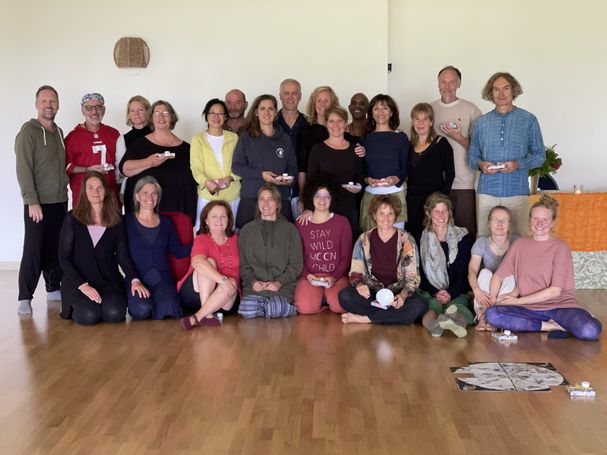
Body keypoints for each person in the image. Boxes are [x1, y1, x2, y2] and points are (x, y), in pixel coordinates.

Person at [484, 195, 602, 340]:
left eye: (545, 219)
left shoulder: (560, 247)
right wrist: (493, 301)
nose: (539, 223)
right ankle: (550, 326)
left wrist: (517, 301)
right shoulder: (520, 245)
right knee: (492, 314)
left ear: (552, 223)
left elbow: (554, 291)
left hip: (559, 307)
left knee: (590, 331)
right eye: (535, 218)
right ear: (530, 221)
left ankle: (575, 317)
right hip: (528, 309)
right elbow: (498, 277)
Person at [58, 172, 149, 325]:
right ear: (84, 191)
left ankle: (101, 305)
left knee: (114, 314)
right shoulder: (72, 218)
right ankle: (79, 305)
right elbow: (64, 258)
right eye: (91, 188)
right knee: (88, 315)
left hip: (107, 281)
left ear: (106, 191)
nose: (95, 192)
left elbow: (123, 256)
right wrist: (83, 286)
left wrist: (134, 279)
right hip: (78, 282)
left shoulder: (117, 219)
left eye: (100, 188)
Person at [468, 72, 545, 237]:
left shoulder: (529, 120)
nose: (501, 94)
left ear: (513, 90)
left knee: (519, 240)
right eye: (496, 89)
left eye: (505, 88)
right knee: (485, 238)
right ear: (490, 92)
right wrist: (481, 165)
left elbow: (540, 156)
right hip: (487, 192)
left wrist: (518, 164)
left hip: (517, 191)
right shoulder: (481, 123)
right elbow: (472, 157)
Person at [15, 85, 69, 314]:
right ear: (37, 104)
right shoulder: (28, 132)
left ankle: (53, 288)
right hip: (38, 203)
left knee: (57, 247)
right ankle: (24, 297)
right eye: (44, 101)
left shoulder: (59, 132)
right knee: (34, 249)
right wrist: (31, 200)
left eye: (53, 101)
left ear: (58, 105)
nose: (49, 105)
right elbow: (23, 168)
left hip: (60, 201)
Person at [338, 194, 427, 325]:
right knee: (344, 296)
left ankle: (366, 319)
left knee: (419, 305)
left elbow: (412, 277)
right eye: (381, 213)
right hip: (372, 293)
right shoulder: (364, 239)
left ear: (395, 216)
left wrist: (403, 296)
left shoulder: (406, 240)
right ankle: (390, 316)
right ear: (374, 215)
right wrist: (360, 285)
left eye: (390, 213)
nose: (386, 218)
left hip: (396, 295)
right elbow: (355, 272)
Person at [119, 100, 197, 223]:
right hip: (148, 214)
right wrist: (149, 162)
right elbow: (125, 169)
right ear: (151, 118)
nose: (161, 117)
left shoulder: (186, 149)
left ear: (172, 117)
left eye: (165, 113)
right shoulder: (140, 144)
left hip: (178, 212)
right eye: (156, 113)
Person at [125, 176, 191, 320]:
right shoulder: (126, 222)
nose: (150, 197)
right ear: (137, 196)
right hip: (136, 278)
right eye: (145, 193)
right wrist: (133, 279)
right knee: (142, 310)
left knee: (170, 309)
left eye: (154, 193)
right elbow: (121, 255)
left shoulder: (166, 222)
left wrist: (201, 242)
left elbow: (177, 251)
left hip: (162, 279)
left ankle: (160, 305)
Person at [431, 66, 482, 238]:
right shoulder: (429, 110)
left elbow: (482, 149)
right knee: (436, 234)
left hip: (463, 183)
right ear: (438, 83)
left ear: (459, 84)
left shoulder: (471, 110)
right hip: (436, 184)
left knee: (465, 233)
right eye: (443, 82)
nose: (447, 86)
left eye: (452, 82)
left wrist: (459, 137)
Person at [232, 94, 297, 228]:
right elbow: (237, 167)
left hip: (280, 197)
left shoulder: (285, 139)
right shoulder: (246, 138)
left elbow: (292, 167)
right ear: (256, 112)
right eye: (262, 109)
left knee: (282, 238)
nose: (267, 112)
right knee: (250, 238)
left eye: (270, 109)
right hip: (252, 197)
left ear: (275, 112)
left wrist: (289, 180)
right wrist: (261, 175)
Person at [238, 184, 302, 319]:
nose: (265, 203)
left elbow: (296, 265)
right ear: (257, 203)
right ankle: (268, 307)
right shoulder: (247, 230)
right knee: (246, 310)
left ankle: (271, 307)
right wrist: (253, 282)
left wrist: (279, 283)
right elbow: (243, 266)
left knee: (275, 308)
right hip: (255, 288)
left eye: (270, 199)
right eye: (262, 199)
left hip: (282, 287)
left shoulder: (290, 230)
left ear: (277, 204)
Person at [418, 192, 474, 337]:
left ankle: (453, 324)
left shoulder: (462, 238)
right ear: (428, 213)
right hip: (430, 291)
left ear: (449, 213)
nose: (441, 215)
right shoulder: (420, 239)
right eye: (436, 211)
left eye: (445, 211)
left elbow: (464, 273)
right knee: (431, 309)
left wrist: (451, 293)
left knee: (459, 309)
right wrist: (435, 292)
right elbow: (420, 274)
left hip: (456, 291)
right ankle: (436, 326)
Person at [178, 200, 240, 329]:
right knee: (208, 263)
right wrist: (222, 280)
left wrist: (226, 283)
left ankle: (199, 317)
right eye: (214, 216)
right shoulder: (202, 239)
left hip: (227, 295)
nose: (219, 220)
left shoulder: (237, 240)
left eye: (223, 216)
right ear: (206, 220)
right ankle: (208, 314)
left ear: (228, 219)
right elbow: (197, 262)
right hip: (196, 293)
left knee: (232, 281)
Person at [295, 177, 352, 314]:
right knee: (305, 309)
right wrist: (306, 274)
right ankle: (322, 299)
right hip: (310, 276)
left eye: (327, 196)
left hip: (336, 276)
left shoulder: (342, 222)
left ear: (332, 199)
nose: (322, 200)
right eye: (318, 195)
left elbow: (346, 257)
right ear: (311, 197)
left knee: (340, 307)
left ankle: (326, 298)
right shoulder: (301, 223)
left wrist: (334, 277)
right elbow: (297, 256)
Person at [306, 106, 364, 236]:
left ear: (346, 123)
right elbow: (310, 183)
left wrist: (359, 188)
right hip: (324, 208)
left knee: (349, 244)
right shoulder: (317, 150)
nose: (335, 125)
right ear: (326, 123)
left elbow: (360, 179)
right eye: (331, 121)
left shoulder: (355, 150)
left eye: (340, 121)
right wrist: (309, 208)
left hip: (349, 207)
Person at [406, 103, 454, 244]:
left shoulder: (441, 143)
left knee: (433, 238)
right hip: (412, 200)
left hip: (433, 201)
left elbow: (450, 174)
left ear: (431, 122)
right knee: (414, 237)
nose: (420, 123)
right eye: (417, 119)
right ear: (412, 122)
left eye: (425, 119)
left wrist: (441, 200)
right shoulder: (408, 145)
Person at [360, 94, 408, 232]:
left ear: (391, 112)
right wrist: (367, 179)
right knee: (370, 239)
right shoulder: (365, 139)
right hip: (371, 195)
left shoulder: (401, 138)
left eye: (385, 108)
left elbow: (405, 167)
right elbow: (361, 169)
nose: (380, 112)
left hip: (395, 195)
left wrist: (396, 179)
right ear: (371, 113)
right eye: (376, 108)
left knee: (395, 238)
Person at [190, 98, 241, 231]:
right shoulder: (198, 139)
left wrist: (231, 177)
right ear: (206, 116)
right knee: (206, 233)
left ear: (225, 117)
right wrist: (206, 182)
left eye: (220, 113)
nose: (216, 117)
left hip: (232, 194)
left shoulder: (233, 138)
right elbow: (196, 168)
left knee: (230, 233)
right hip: (208, 195)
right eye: (212, 113)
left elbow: (240, 164)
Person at [65, 93, 120, 207]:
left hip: (110, 197)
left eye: (98, 107)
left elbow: (121, 166)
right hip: (83, 199)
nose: (94, 112)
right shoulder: (72, 137)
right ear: (82, 110)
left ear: (104, 110)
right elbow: (67, 167)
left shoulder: (114, 134)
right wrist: (87, 169)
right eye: (89, 108)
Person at [468, 206, 517, 331]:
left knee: (510, 275)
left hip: (506, 292)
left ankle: (496, 317)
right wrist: (476, 291)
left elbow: (524, 273)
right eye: (495, 220)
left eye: (504, 220)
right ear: (489, 223)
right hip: (486, 292)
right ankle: (483, 318)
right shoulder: (481, 243)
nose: (500, 224)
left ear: (510, 224)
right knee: (484, 272)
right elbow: (472, 270)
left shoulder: (517, 242)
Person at [276, 78, 309, 217]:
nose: (290, 97)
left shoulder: (308, 123)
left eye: (294, 93)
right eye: (286, 93)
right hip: (276, 191)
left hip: (302, 191)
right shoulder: (271, 123)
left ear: (300, 96)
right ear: (280, 96)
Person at [115, 96, 152, 202]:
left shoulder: (158, 135)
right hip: (132, 189)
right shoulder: (123, 139)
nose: (136, 114)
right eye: (132, 111)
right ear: (129, 115)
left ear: (148, 112)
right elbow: (120, 171)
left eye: (140, 110)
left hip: (156, 187)